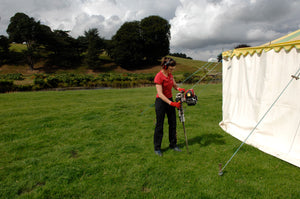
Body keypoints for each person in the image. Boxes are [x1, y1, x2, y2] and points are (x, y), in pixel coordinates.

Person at [153, 57, 185, 156]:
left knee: (173, 123)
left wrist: (179, 89)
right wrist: (171, 103)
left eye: (173, 69)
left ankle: (173, 144)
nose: (172, 71)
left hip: (170, 100)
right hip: (161, 102)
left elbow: (174, 85)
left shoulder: (170, 75)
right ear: (165, 66)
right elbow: (160, 94)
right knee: (160, 125)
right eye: (171, 69)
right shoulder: (159, 76)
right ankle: (157, 148)